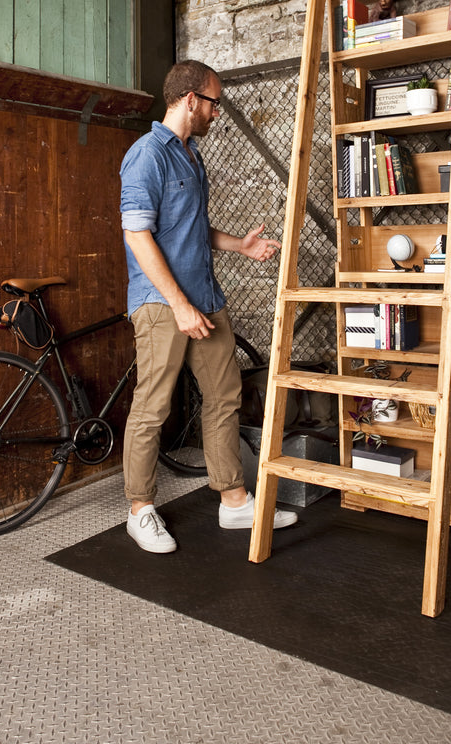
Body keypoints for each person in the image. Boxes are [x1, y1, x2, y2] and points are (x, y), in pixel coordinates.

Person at [119, 59, 297, 553]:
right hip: (162, 303)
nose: (218, 112)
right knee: (153, 406)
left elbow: (190, 228)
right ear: (191, 100)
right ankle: (139, 510)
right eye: (214, 103)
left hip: (206, 297)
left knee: (224, 395)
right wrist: (178, 305)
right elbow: (138, 235)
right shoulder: (147, 155)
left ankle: (234, 501)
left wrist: (240, 245)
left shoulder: (191, 156)